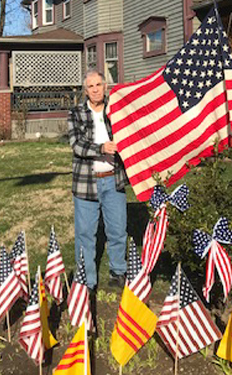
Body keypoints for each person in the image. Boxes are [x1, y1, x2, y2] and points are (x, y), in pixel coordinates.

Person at [67, 69, 129, 292]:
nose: (95, 89)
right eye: (91, 86)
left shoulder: (116, 111)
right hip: (87, 182)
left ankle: (118, 271)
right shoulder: (75, 113)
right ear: (86, 91)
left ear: (105, 87)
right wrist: (101, 148)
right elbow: (76, 145)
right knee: (85, 233)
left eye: (99, 85)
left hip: (114, 180)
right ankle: (87, 279)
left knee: (117, 229)